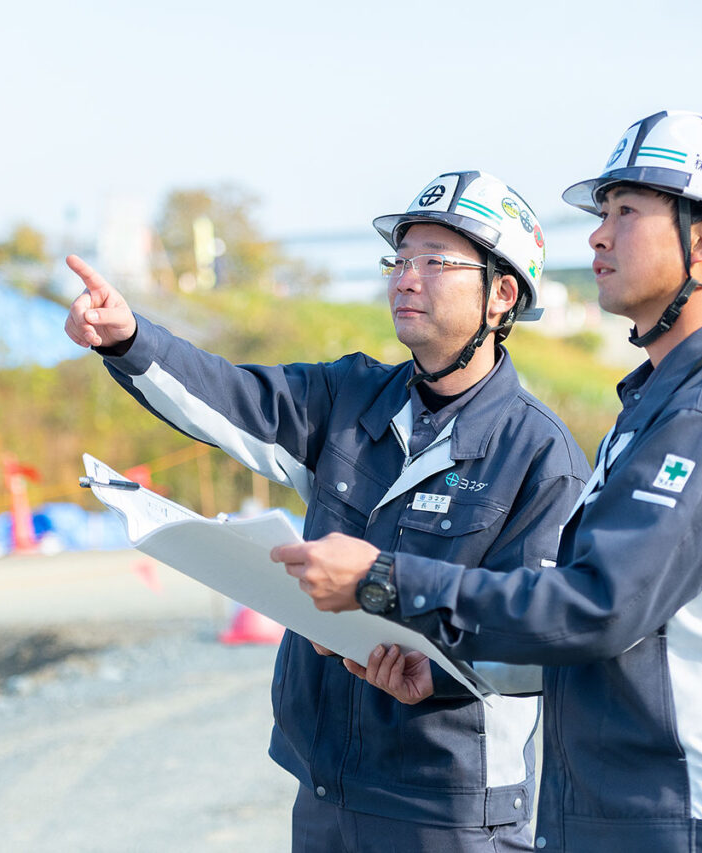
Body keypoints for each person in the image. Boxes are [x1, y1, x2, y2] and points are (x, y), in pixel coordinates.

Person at [278, 113, 702, 852]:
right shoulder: (654, 406)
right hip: (616, 816)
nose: (597, 236)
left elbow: (597, 605)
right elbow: (593, 640)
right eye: (602, 214)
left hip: (689, 822)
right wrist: (444, 675)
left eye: (626, 212)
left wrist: (384, 579)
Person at [64, 170, 591, 852]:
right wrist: (130, 338)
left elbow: (552, 635)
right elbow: (231, 400)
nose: (406, 278)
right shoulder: (350, 399)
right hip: (326, 789)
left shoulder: (539, 456)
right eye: (400, 259)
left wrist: (439, 674)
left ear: (503, 294)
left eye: (436, 262)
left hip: (449, 811)